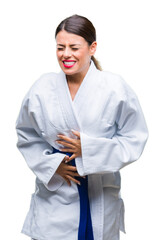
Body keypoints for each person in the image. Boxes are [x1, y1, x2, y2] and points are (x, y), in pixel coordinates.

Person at [16, 14, 148, 240]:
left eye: (74, 47)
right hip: (55, 196)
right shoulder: (41, 88)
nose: (66, 54)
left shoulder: (115, 88)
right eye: (60, 47)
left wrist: (88, 150)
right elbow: (26, 135)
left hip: (99, 194)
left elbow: (134, 137)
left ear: (92, 47)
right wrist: (53, 166)